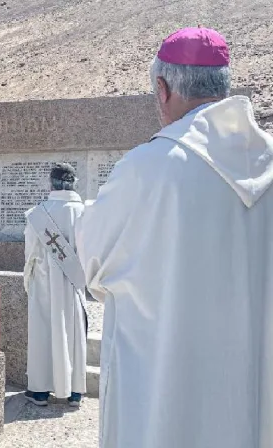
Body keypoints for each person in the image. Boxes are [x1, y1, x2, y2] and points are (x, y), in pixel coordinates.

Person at [79, 27, 273, 448]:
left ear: (162, 89)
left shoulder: (146, 168)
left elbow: (92, 268)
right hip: (251, 391)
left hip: (164, 394)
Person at [23, 163, 87, 407]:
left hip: (44, 282)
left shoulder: (38, 213)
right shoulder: (84, 212)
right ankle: (75, 392)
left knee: (44, 334)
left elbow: (31, 253)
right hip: (73, 282)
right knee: (73, 332)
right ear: (73, 182)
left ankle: (40, 391)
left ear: (52, 182)